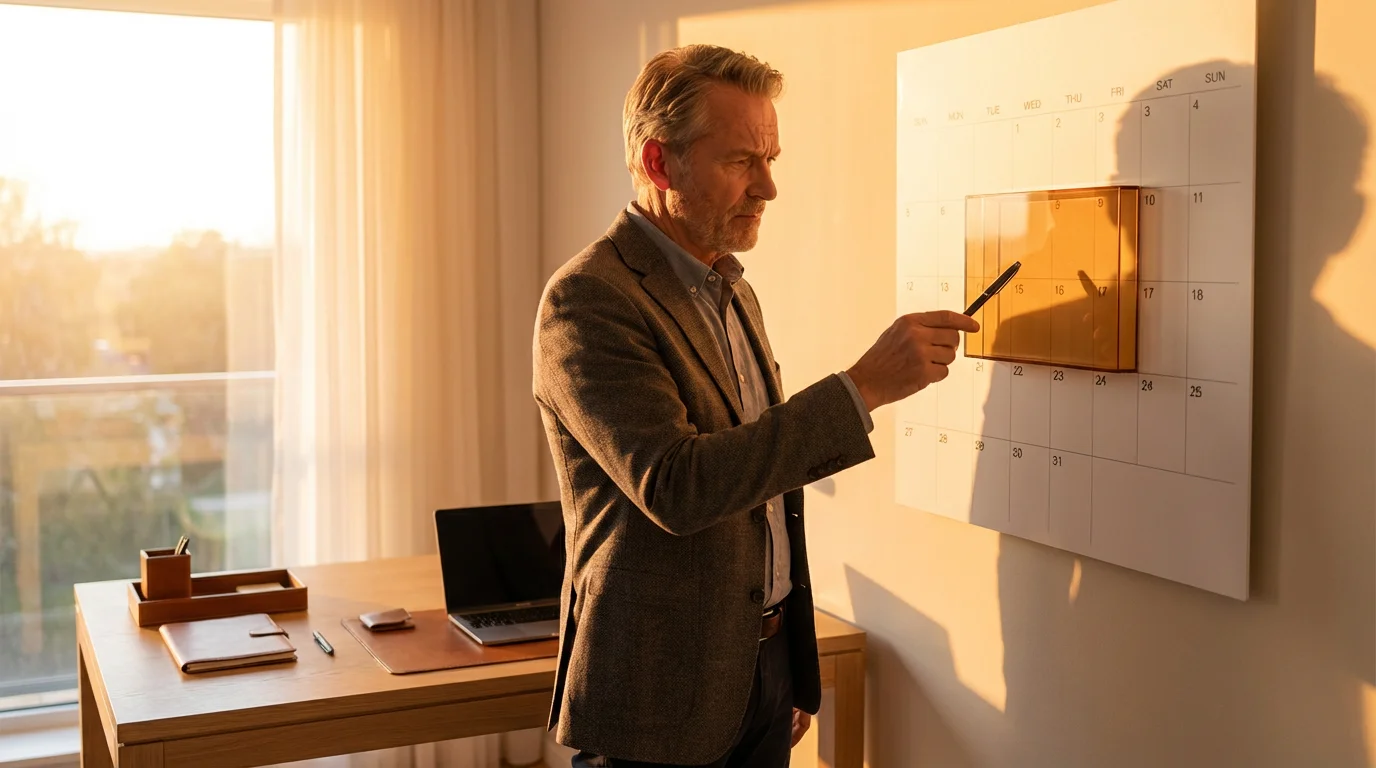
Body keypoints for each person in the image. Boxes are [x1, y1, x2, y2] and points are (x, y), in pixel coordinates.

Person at [532, 44, 979, 767]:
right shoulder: (588, 298)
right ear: (659, 163)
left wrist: (783, 663)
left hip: (760, 674)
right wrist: (860, 389)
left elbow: (764, 487)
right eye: (742, 161)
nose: (768, 187)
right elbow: (676, 486)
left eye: (772, 158)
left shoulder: (732, 287)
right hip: (658, 699)